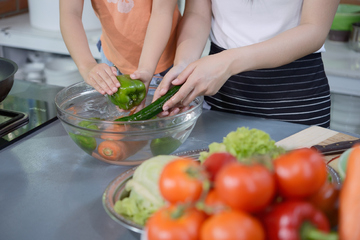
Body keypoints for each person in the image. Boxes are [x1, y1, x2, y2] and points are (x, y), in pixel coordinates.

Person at [154, 0, 340, 128]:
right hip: (222, 96)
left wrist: (228, 62)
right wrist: (184, 67)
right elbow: (197, 13)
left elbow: (314, 29)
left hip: (296, 99)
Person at [59, 0, 181, 97]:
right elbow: (70, 13)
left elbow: (162, 12)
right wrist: (87, 65)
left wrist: (145, 68)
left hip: (167, 62)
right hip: (112, 60)